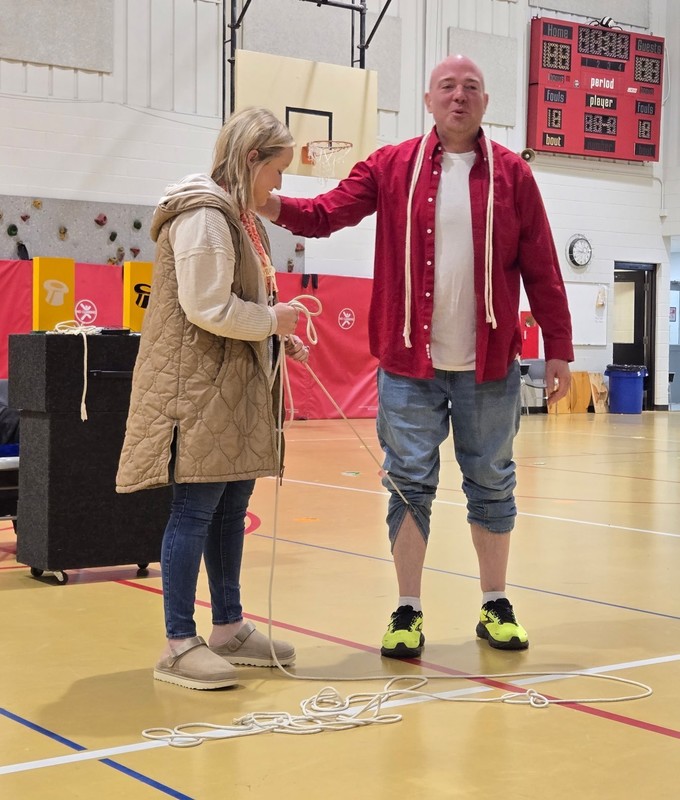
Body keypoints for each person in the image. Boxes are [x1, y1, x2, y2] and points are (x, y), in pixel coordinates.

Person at [260, 55, 573, 658]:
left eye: (472, 88)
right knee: (408, 486)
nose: (460, 96)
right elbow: (327, 214)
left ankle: (495, 603)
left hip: (490, 369)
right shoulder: (390, 165)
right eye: (448, 87)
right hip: (409, 368)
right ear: (428, 100)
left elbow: (542, 264)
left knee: (492, 484)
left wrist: (558, 348)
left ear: (486, 102)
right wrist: (266, 204)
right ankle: (408, 611)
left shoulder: (514, 175)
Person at [116, 107, 309, 690]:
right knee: (194, 511)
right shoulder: (204, 215)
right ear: (251, 159)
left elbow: (234, 304)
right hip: (198, 391)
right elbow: (208, 309)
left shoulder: (238, 217)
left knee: (229, 510)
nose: (280, 185)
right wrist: (272, 318)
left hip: (232, 389)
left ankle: (228, 627)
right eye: (276, 171)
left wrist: (279, 333)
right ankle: (179, 644)